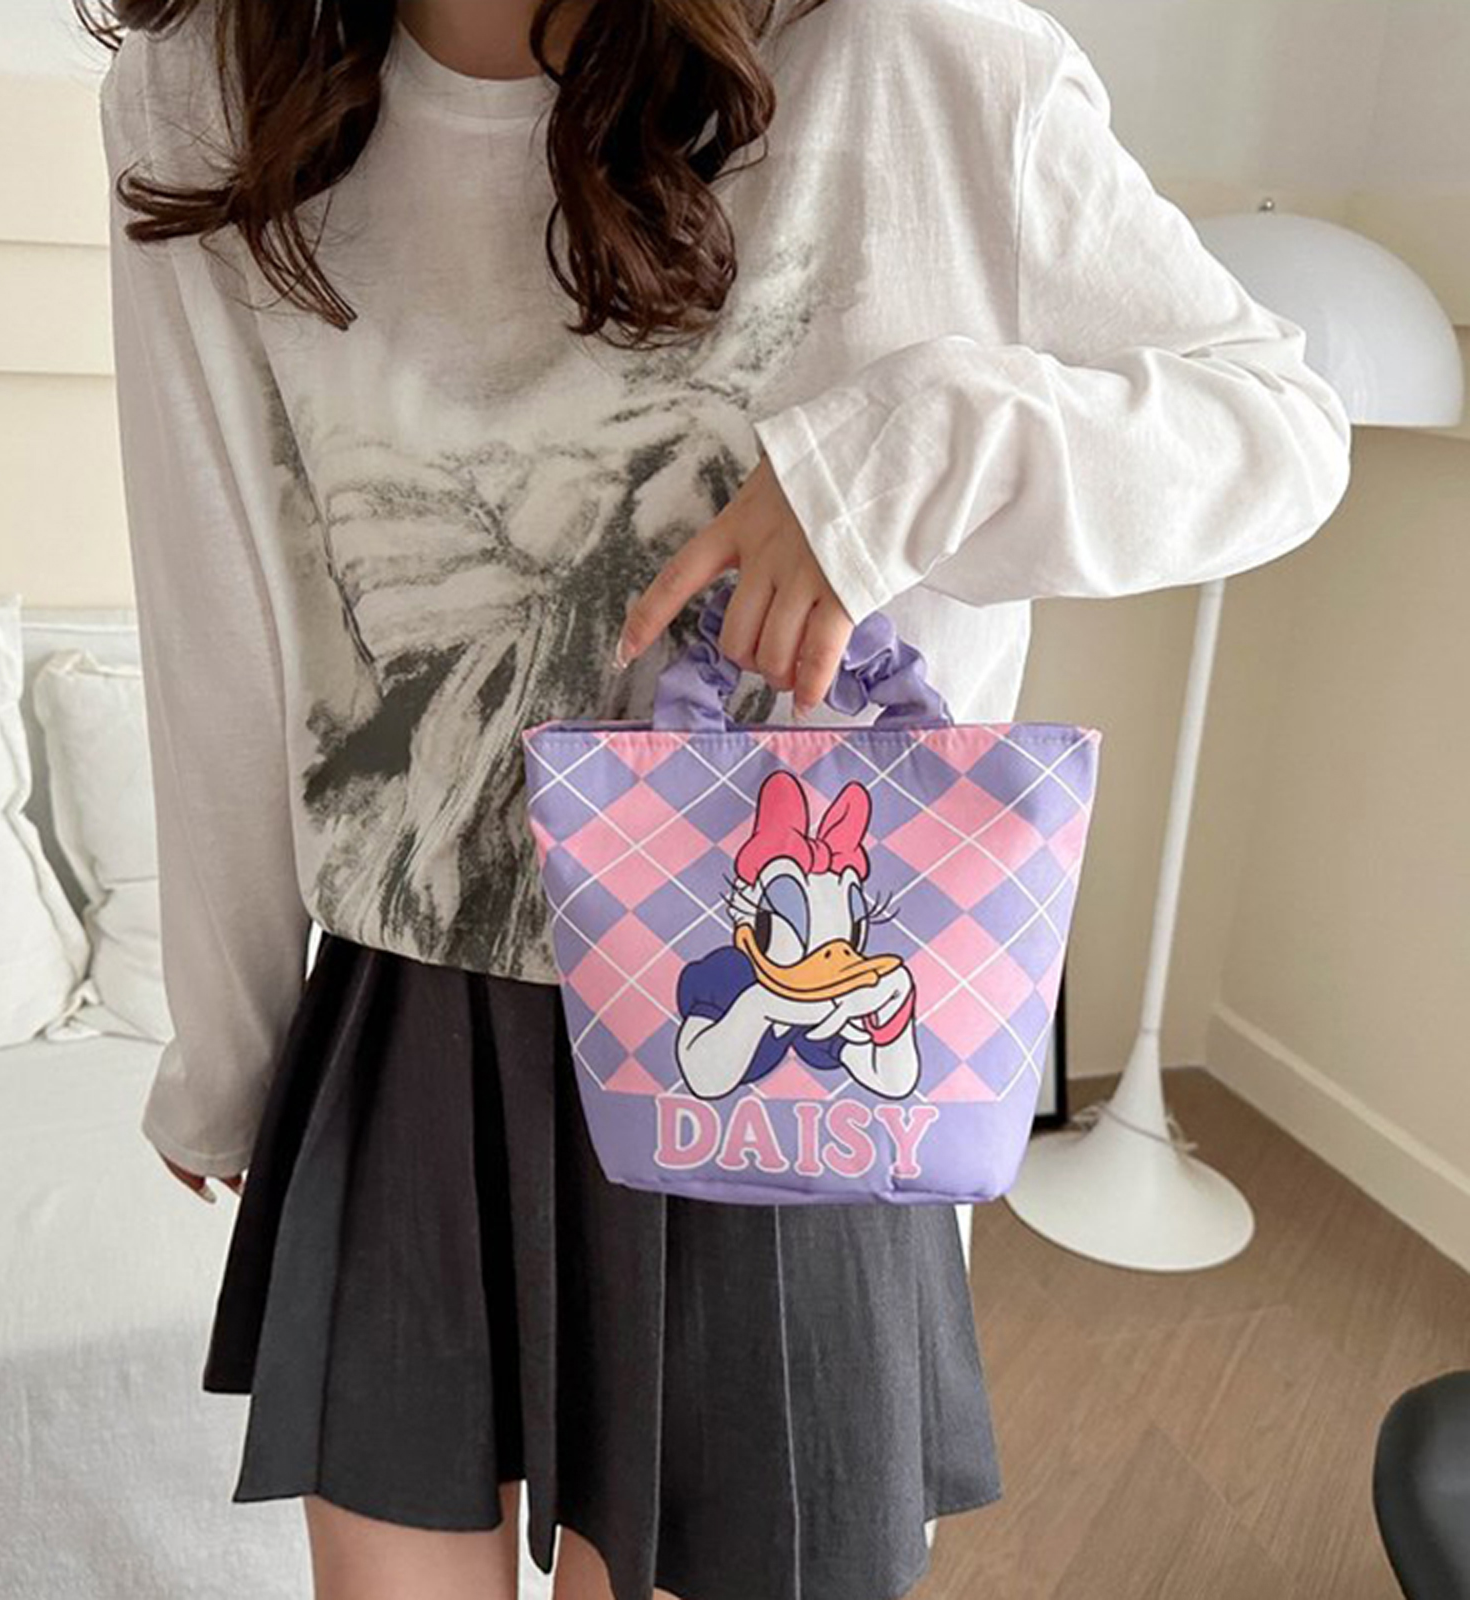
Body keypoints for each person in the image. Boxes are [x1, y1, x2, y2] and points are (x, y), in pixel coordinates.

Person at [88, 0, 1352, 1596]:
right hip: (417, 1017)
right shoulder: (213, 87)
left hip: (788, 1052)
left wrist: (915, 447)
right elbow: (217, 614)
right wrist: (233, 1052)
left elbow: (1277, 429)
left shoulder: (915, 62)